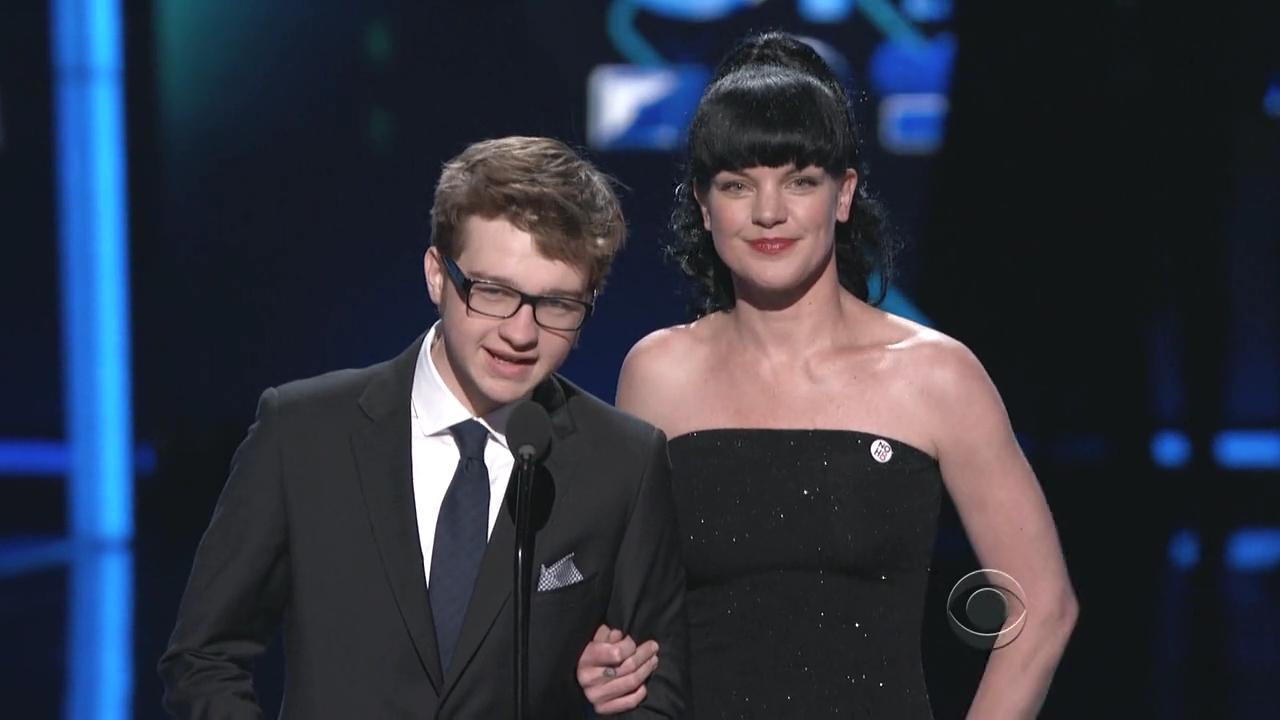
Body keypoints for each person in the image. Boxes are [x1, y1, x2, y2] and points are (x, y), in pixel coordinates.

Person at [576, 33, 1078, 718]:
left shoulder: (935, 376)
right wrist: (607, 664)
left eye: (800, 181)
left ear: (843, 196)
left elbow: (1041, 608)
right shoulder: (660, 374)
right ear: (703, 205)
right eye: (737, 185)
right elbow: (635, 615)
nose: (769, 212)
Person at [159, 136, 688, 718]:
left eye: (557, 304)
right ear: (438, 275)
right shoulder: (303, 434)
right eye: (493, 292)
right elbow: (203, 659)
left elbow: (656, 693)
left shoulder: (623, 462)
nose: (520, 332)